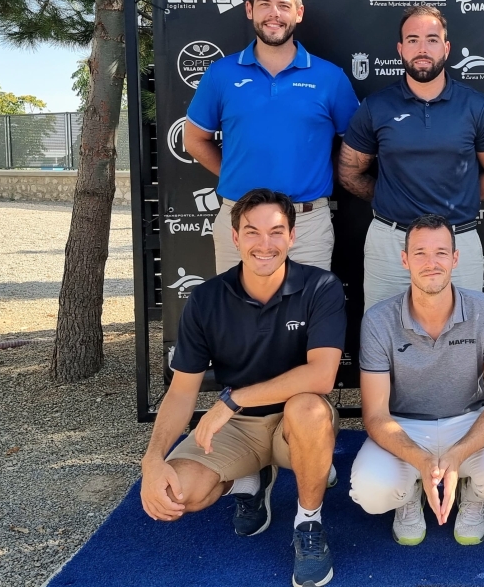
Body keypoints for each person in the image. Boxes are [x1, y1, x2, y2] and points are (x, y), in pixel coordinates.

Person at [140, 188, 346, 587]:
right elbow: (182, 391)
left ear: (292, 236)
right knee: (180, 494)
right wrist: (152, 459)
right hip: (238, 428)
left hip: (295, 422)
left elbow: (321, 376)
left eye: (275, 232)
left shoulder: (321, 287)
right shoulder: (205, 299)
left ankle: (308, 523)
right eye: (252, 232)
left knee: (308, 407)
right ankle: (250, 480)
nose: (264, 244)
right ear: (234, 238)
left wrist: (232, 399)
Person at [349, 214, 484, 545]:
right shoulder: (377, 320)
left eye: (441, 252)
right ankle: (409, 496)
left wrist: (458, 454)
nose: (431, 263)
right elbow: (376, 415)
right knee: (371, 493)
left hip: (469, 421)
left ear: (455, 258)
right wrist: (420, 460)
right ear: (404, 259)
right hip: (404, 426)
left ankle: (472, 493)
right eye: (420, 252)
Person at [184, 0, 359, 274]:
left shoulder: (330, 78)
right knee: (236, 319)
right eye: (264, 4)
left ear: (298, 13)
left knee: (304, 318)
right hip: (240, 220)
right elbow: (194, 139)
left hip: (306, 225)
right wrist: (237, 174)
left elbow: (356, 144)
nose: (273, 14)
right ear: (249, 9)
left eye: (284, 6)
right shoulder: (221, 74)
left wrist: (326, 171)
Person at [338, 6, 484, 311]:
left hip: (457, 241)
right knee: (382, 337)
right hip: (391, 241)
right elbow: (350, 173)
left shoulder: (476, 106)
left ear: (446, 48)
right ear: (400, 48)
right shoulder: (376, 107)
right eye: (413, 39)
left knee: (466, 337)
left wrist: (459, 200)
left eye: (432, 40)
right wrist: (393, 198)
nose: (422, 48)